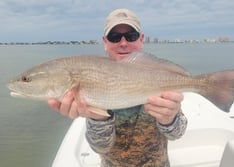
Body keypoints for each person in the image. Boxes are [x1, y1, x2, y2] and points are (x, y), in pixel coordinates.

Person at [48, 8, 187, 167]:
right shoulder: (93, 78)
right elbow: (100, 147)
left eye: (131, 36)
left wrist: (169, 119)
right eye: (114, 37)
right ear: (105, 42)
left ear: (141, 40)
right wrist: (98, 117)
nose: (123, 43)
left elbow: (177, 133)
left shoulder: (159, 75)